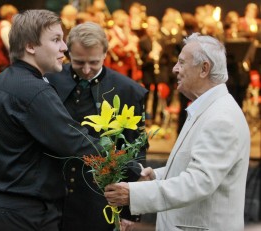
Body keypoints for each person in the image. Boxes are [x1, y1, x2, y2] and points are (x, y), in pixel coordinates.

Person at [0, 9, 104, 231]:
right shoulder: (35, 91)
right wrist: (128, 166)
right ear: (30, 46)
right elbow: (74, 141)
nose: (64, 47)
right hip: (24, 216)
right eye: (56, 40)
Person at [105, 33, 251, 231]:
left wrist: (134, 194)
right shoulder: (210, 109)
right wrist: (156, 177)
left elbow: (199, 181)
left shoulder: (221, 117)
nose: (175, 69)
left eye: (181, 62)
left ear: (204, 69)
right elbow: (194, 167)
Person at [45, 21, 148, 231]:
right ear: (67, 52)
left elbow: (135, 150)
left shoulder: (128, 90)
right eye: (78, 62)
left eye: (93, 62)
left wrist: (129, 211)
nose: (86, 70)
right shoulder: (49, 80)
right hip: (51, 196)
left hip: (98, 201)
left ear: (105, 53)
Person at [0, 4, 18, 71]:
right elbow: (12, 48)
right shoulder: (5, 29)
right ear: (9, 15)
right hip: (7, 65)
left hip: (4, 65)